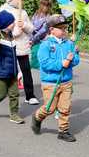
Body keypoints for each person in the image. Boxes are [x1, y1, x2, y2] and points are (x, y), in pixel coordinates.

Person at [31, 14, 80, 142]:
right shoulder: (45, 45)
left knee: (65, 108)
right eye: (61, 28)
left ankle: (63, 131)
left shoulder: (69, 43)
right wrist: (61, 64)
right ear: (51, 29)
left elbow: (75, 61)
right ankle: (37, 117)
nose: (64, 30)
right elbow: (45, 63)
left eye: (65, 28)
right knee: (49, 108)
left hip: (66, 81)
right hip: (51, 82)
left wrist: (74, 56)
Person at [0, 0, 38, 105]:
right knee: (8, 69)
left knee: (26, 70)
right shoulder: (3, 10)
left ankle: (30, 95)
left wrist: (24, 25)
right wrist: (14, 32)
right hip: (9, 45)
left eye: (22, 0)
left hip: (23, 46)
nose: (22, 2)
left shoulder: (23, 12)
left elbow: (31, 29)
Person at [30, 0, 52, 70]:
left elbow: (43, 30)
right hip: (33, 37)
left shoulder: (48, 17)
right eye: (44, 5)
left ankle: (43, 68)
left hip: (42, 39)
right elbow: (31, 25)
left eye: (47, 5)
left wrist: (33, 39)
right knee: (33, 53)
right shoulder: (36, 14)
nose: (45, 7)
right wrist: (30, 37)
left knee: (40, 53)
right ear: (41, 5)